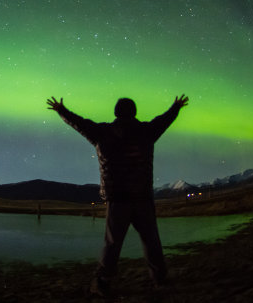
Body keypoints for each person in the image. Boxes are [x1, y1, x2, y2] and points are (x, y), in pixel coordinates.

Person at [46, 94, 189, 297]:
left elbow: (79, 123)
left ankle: (103, 282)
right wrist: (176, 107)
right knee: (151, 241)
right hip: (142, 198)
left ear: (116, 112)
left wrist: (61, 110)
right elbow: (164, 119)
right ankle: (160, 279)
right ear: (134, 112)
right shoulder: (147, 131)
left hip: (117, 199)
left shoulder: (102, 132)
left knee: (112, 244)